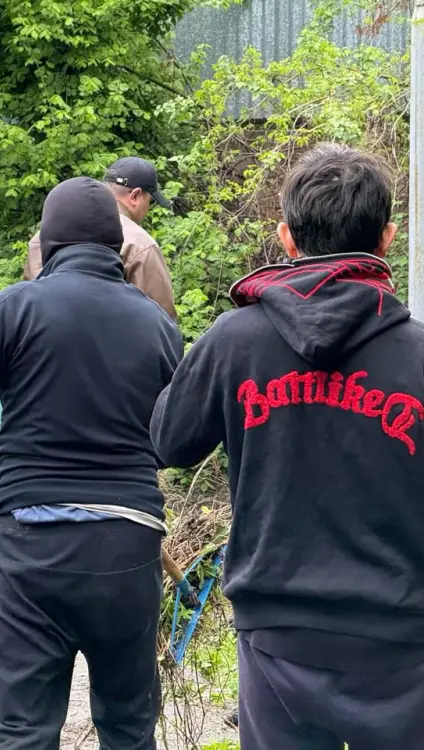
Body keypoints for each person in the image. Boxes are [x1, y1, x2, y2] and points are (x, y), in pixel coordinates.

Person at [150, 143, 424, 750]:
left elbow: (168, 440)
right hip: (401, 642)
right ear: (387, 238)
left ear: (286, 238)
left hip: (279, 636)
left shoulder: (235, 341)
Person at [0, 178, 182, 749]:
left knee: (22, 732)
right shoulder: (156, 323)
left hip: (34, 550)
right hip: (127, 550)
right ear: (115, 246)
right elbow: (174, 439)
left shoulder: (17, 308)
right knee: (129, 730)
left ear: (48, 247)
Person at [23, 157, 177, 320]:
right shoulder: (140, 245)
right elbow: (161, 320)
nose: (147, 209)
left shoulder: (41, 237)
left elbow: (29, 298)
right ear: (135, 196)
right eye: (150, 201)